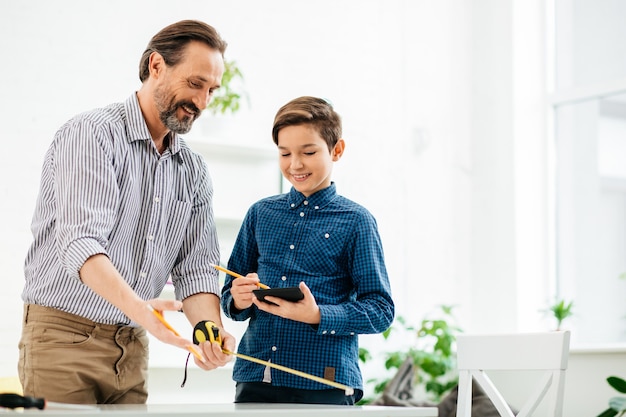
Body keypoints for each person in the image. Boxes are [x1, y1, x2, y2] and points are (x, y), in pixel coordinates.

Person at [18, 20, 235, 404]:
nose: (202, 102)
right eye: (194, 84)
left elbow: (197, 267)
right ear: (156, 66)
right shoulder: (91, 135)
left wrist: (209, 331)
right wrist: (146, 314)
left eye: (211, 90)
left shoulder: (193, 171)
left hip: (131, 349)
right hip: (63, 341)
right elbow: (82, 244)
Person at [220, 96, 395, 405]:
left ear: (336, 150)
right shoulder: (260, 214)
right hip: (256, 378)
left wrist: (318, 315)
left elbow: (381, 310)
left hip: (325, 383)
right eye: (284, 153)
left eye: (308, 152)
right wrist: (238, 297)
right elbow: (229, 295)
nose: (295, 164)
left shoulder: (356, 221)